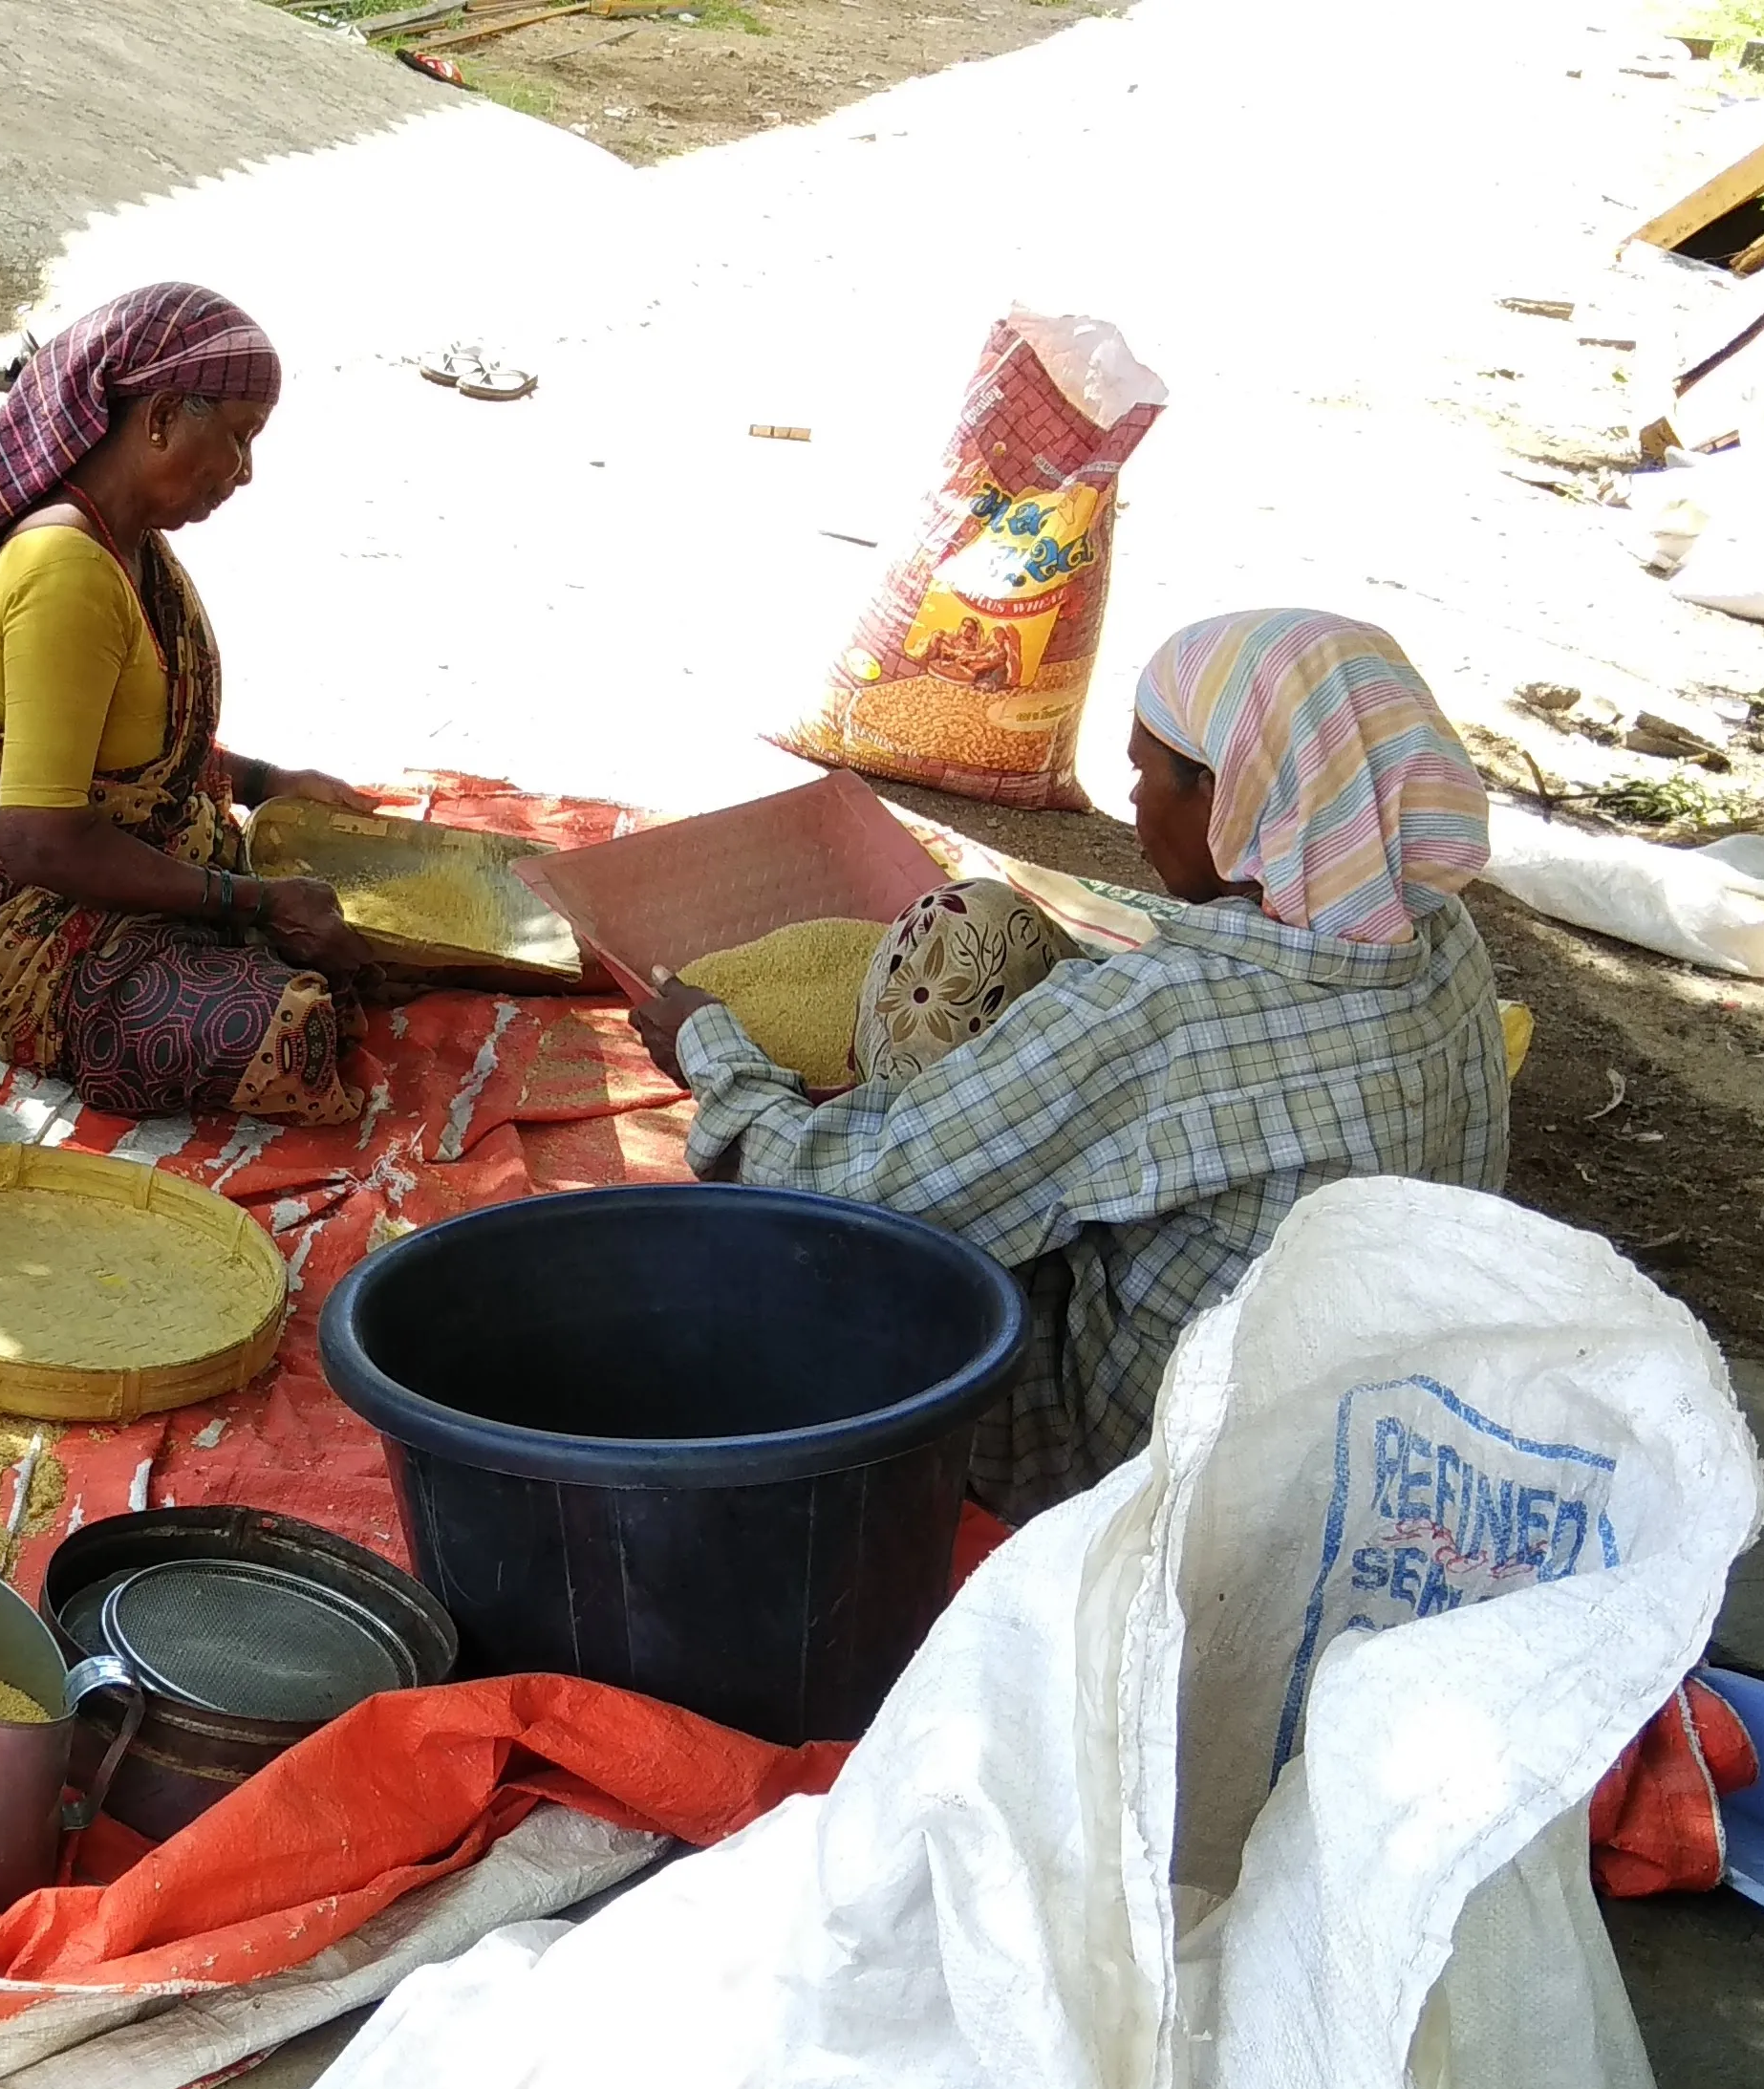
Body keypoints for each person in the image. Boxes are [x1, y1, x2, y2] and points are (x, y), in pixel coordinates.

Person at [636, 609, 1507, 1518]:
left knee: (838, 1250)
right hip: (1358, 1429)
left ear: (1224, 793)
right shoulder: (1445, 940)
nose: (1132, 806)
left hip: (1134, 1469)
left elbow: (843, 1197)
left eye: (1143, 773)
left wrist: (713, 1051)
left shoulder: (1161, 1018)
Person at [0, 282, 382, 1126]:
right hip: (32, 933)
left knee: (369, 918)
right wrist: (251, 901)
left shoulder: (131, 549)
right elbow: (39, 839)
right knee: (293, 1030)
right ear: (157, 419)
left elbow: (125, 756)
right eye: (238, 437)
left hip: (129, 877)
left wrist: (266, 779)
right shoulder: (63, 574)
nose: (246, 472)